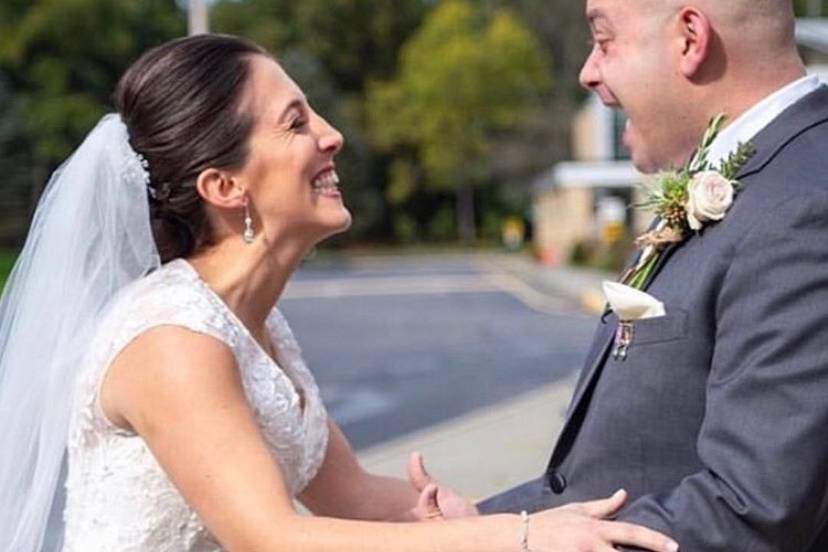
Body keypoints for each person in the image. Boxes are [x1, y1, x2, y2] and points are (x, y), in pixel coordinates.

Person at [0, 34, 679, 552]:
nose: (333, 135)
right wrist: (521, 539)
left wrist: (466, 514)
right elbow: (275, 538)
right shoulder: (172, 341)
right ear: (224, 187)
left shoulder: (256, 325)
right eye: (296, 123)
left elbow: (350, 494)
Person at [479, 1, 828, 550]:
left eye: (604, 39)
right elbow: (635, 465)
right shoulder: (763, 186)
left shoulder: (805, 205)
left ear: (690, 38)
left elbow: (754, 509)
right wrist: (485, 526)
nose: (588, 71)